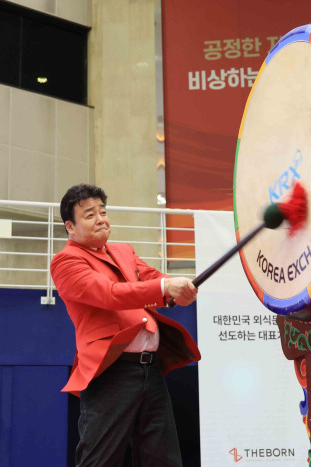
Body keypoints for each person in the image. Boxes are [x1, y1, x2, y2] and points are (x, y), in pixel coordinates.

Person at [50, 183, 201, 467]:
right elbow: (109, 294)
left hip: (150, 369)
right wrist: (165, 285)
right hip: (111, 371)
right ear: (70, 226)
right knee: (100, 460)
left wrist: (176, 288)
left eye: (103, 212)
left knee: (163, 458)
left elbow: (151, 277)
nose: (101, 219)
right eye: (90, 215)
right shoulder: (65, 261)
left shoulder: (123, 250)